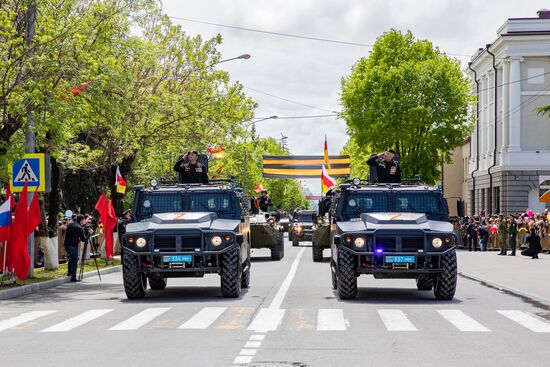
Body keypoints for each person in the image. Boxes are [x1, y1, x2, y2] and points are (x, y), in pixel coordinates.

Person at [64, 214, 93, 282]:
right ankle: (73, 277)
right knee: (75, 260)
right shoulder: (79, 228)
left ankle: (69, 273)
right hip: (73, 246)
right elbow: (84, 239)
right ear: (82, 220)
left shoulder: (71, 224)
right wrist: (89, 233)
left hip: (67, 245)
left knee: (71, 258)